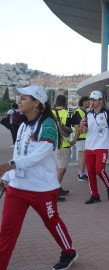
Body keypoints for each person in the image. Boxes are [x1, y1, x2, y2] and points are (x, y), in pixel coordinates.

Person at [0, 85, 78, 270]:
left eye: (24, 98)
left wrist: (9, 166)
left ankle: (69, 252)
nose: (19, 101)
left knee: (52, 223)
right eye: (19, 98)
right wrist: (9, 176)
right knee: (7, 232)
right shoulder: (23, 126)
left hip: (42, 189)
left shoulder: (48, 124)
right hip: (17, 188)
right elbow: (19, 155)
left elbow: (41, 154)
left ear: (36, 103)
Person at [79, 90, 109, 204]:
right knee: (90, 172)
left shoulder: (107, 114)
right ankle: (95, 195)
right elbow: (84, 131)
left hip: (102, 146)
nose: (92, 102)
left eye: (95, 100)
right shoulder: (88, 114)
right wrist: (82, 125)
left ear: (101, 101)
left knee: (99, 170)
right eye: (91, 100)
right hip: (89, 146)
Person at [52, 95, 76, 202]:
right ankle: (54, 192)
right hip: (64, 145)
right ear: (65, 102)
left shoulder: (50, 113)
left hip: (52, 145)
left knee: (57, 168)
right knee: (62, 169)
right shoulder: (69, 113)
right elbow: (77, 128)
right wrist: (74, 140)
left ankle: (57, 188)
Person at [73, 96, 90, 182]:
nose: (89, 103)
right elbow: (80, 125)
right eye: (87, 101)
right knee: (83, 156)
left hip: (83, 136)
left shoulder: (83, 111)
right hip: (81, 136)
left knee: (81, 156)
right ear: (83, 102)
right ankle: (81, 175)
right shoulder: (79, 112)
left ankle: (80, 173)